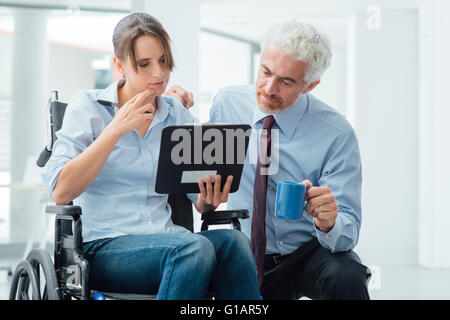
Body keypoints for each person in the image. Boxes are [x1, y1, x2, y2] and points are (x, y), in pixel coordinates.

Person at [41, 12, 260, 300]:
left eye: (163, 61)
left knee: (233, 242)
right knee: (194, 249)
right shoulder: (89, 108)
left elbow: (198, 201)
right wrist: (114, 130)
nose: (158, 74)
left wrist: (207, 199)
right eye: (144, 64)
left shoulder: (175, 113)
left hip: (169, 241)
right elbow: (61, 191)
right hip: (105, 247)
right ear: (119, 65)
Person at [169, 20, 370, 300]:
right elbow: (197, 174)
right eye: (265, 72)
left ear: (310, 85)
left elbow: (348, 228)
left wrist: (329, 222)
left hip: (305, 253)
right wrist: (168, 106)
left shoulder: (336, 133)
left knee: (347, 276)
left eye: (286, 81)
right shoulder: (228, 103)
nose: (269, 88)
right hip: (244, 251)